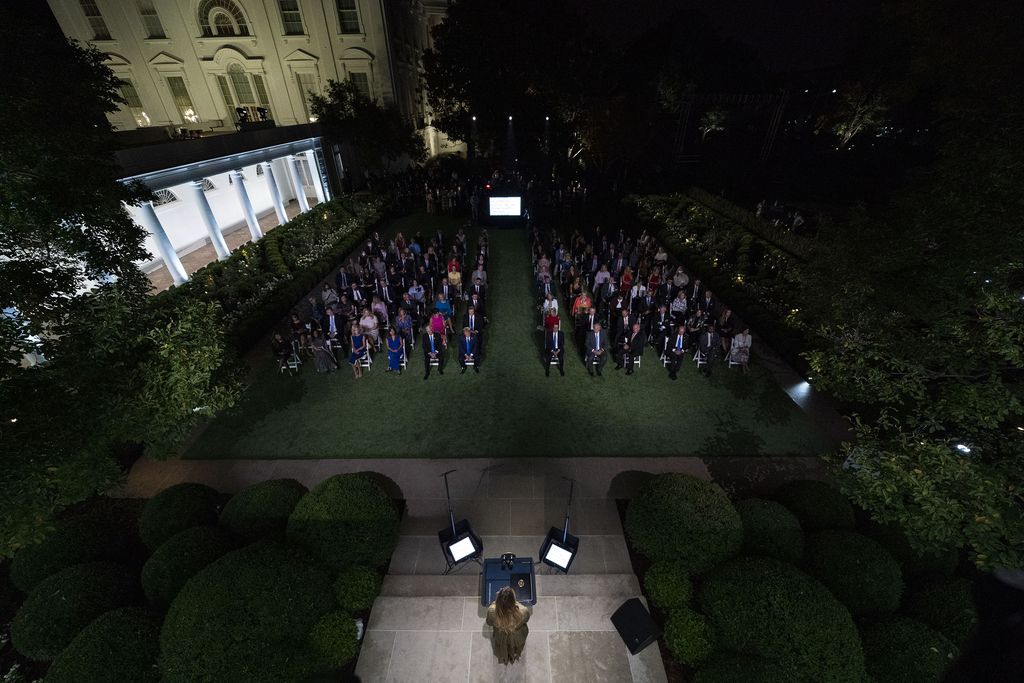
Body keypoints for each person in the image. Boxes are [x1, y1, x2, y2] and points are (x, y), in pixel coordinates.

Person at [486, 586, 531, 665]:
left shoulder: (492, 611)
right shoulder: (523, 611)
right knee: (515, 647)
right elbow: (526, 619)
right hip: (517, 637)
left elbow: (489, 622)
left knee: (503, 646)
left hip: (501, 637)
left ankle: (505, 657)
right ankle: (514, 655)